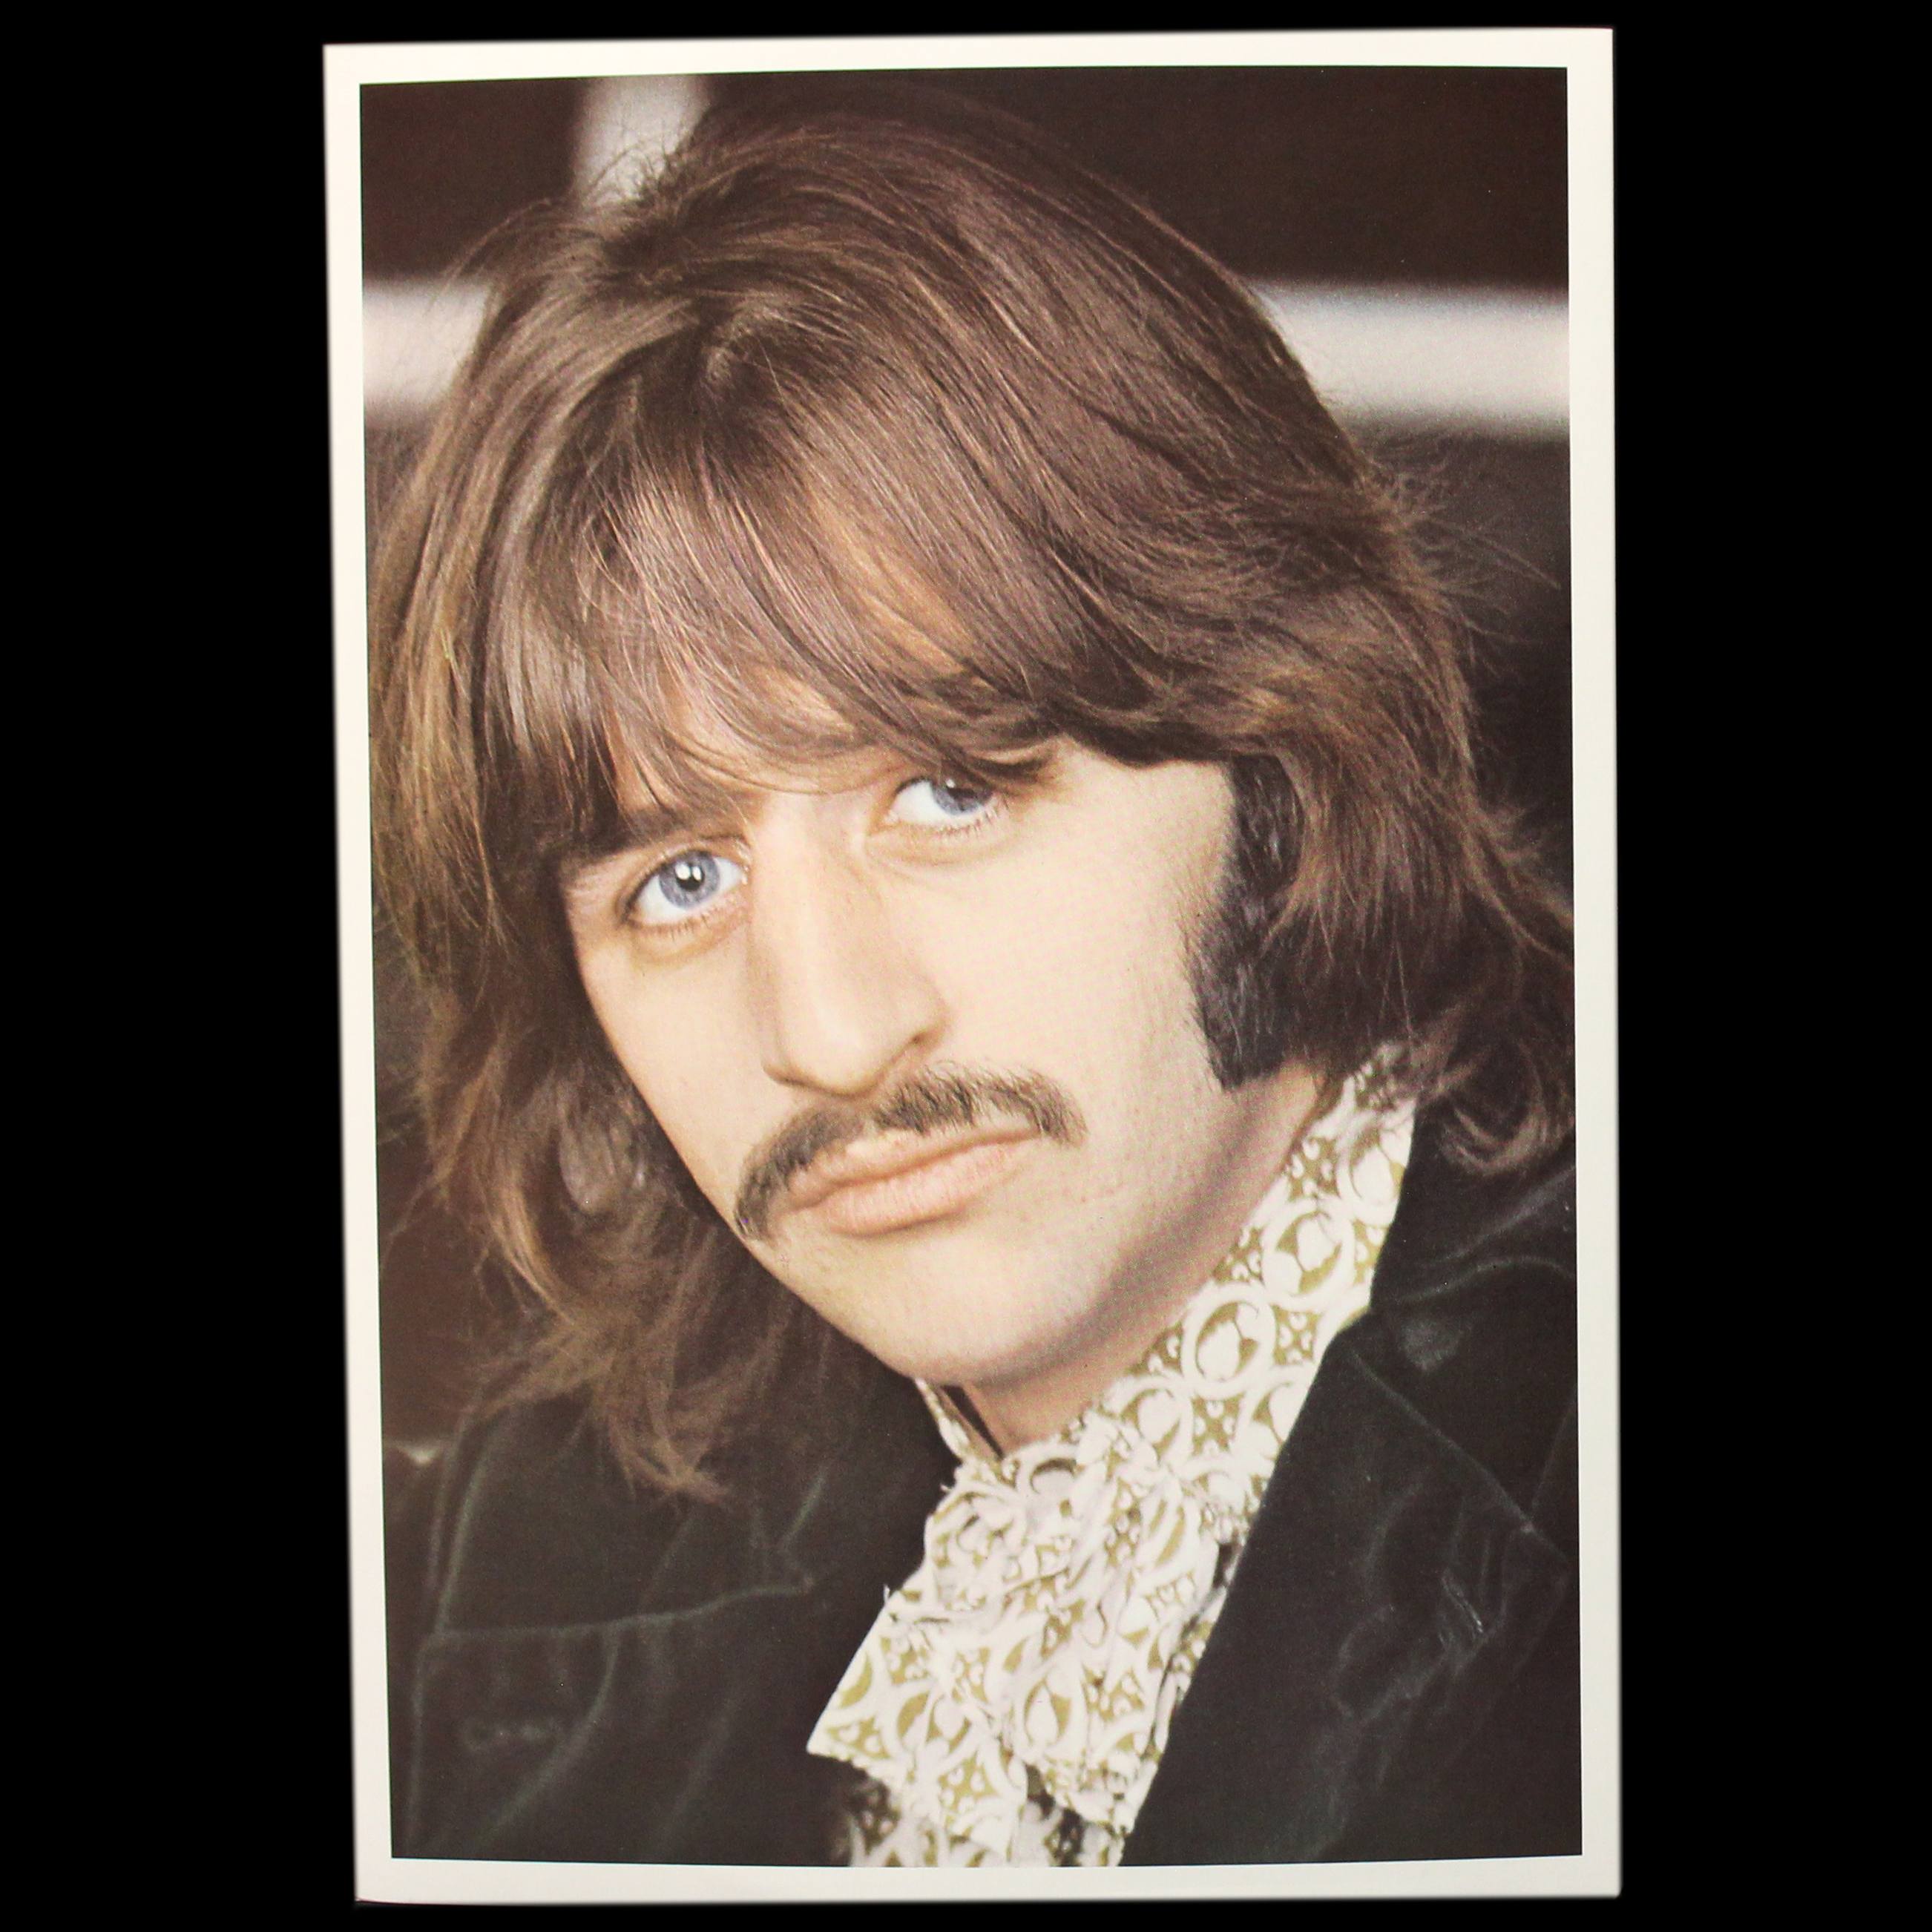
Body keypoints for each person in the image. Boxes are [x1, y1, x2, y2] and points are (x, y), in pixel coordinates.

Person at [371, 82, 1580, 1869]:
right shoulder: (491, 1576)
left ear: (1283, 740)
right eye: (682, 881)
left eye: (950, 792)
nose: (833, 1033)